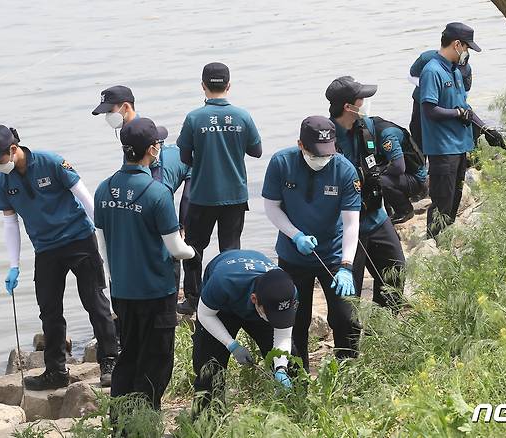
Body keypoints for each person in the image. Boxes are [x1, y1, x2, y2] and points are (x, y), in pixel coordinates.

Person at [0, 125, 118, 390]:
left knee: (95, 302)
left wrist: (104, 236)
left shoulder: (52, 162)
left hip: (79, 240)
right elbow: (11, 223)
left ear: (12, 149)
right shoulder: (4, 182)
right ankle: (55, 370)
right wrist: (13, 265)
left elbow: (85, 198)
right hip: (46, 249)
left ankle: (110, 360)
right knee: (49, 311)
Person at [93, 118, 201, 410]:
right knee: (157, 358)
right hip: (156, 291)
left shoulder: (104, 189)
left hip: (122, 291)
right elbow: (175, 249)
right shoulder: (157, 193)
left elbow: (102, 245)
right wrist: (193, 252)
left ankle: (120, 418)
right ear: (153, 150)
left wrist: (115, 278)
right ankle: (144, 416)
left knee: (128, 353)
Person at [262, 115, 361, 371]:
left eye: (327, 154)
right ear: (301, 145)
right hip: (294, 256)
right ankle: (298, 379)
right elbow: (271, 207)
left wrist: (347, 266)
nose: (322, 159)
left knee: (346, 318)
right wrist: (295, 235)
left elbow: (351, 223)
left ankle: (348, 372)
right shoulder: (281, 163)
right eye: (316, 153)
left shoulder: (344, 170)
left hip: (333, 256)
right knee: (295, 320)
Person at [177, 62, 262, 315]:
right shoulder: (243, 116)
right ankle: (232, 298)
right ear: (229, 85)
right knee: (231, 248)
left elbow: (184, 157)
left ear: (203, 86)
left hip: (202, 195)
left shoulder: (194, 118)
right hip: (235, 195)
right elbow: (256, 151)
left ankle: (193, 299)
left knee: (193, 247)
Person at [92, 85, 192, 293]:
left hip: (153, 207)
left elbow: (156, 178)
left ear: (126, 107)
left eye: (110, 111)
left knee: (163, 254)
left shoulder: (141, 133)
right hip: (141, 208)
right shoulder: (126, 133)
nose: (108, 117)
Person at [326, 77, 407, 310]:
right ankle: (350, 342)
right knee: (350, 294)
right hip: (347, 226)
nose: (365, 103)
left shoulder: (367, 128)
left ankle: (383, 327)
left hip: (376, 217)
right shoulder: (327, 138)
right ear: (348, 107)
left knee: (395, 272)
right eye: (361, 99)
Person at [419, 23, 506, 238]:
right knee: (442, 201)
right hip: (442, 149)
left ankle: (446, 241)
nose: (467, 53)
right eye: (467, 48)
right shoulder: (432, 71)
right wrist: (457, 114)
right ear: (456, 44)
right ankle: (432, 246)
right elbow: (430, 109)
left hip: (459, 146)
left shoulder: (455, 71)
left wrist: (485, 128)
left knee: (455, 197)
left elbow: (465, 108)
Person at [191, 249, 297, 415]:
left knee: (292, 364)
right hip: (222, 307)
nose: (274, 320)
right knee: (209, 368)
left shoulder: (287, 291)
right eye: (271, 316)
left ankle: (292, 414)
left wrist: (281, 368)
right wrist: (232, 345)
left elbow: (283, 333)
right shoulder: (223, 282)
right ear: (254, 300)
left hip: (263, 303)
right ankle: (207, 421)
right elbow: (205, 314)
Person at [409, 50, 473, 152]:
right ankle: (420, 164)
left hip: (450, 104)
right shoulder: (428, 58)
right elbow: (411, 75)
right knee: (418, 136)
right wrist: (432, 86)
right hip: (422, 101)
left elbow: (464, 96)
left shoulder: (467, 71)